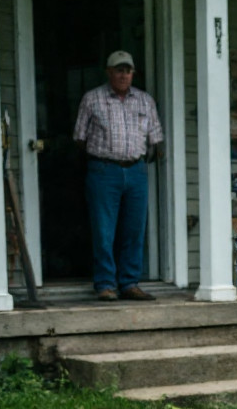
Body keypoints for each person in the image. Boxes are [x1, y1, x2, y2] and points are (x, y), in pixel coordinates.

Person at [73, 50, 163, 302]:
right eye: (119, 70)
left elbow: (156, 139)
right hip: (104, 170)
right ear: (109, 72)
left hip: (136, 170)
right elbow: (79, 137)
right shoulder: (92, 99)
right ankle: (105, 283)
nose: (124, 75)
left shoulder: (145, 101)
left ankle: (129, 283)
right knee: (104, 230)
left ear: (133, 73)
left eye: (128, 71)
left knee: (134, 229)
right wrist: (104, 157)